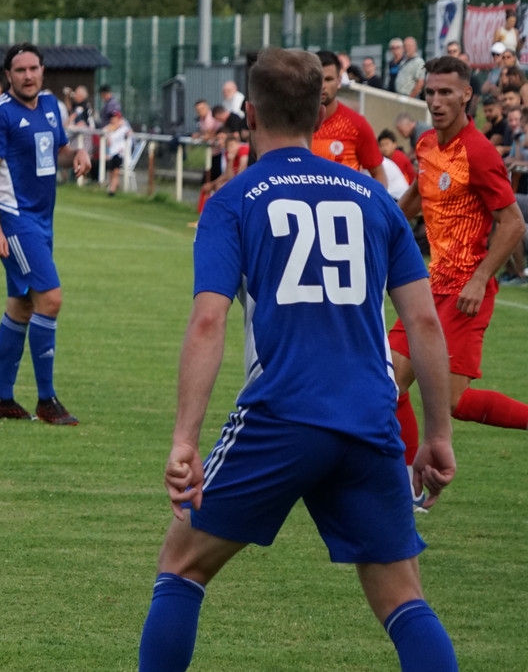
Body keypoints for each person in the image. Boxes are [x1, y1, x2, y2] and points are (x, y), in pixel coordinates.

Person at [137, 47, 457, 672]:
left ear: (249, 114)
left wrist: (184, 438)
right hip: (370, 419)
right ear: (320, 111)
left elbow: (209, 320)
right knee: (403, 597)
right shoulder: (373, 198)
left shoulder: (233, 201)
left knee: (181, 566)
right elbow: (421, 321)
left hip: (281, 414)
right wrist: (438, 434)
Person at [391, 55, 528, 512]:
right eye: (430, 92)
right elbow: (416, 194)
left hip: (467, 296)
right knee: (386, 384)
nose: (436, 101)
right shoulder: (427, 143)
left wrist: (481, 277)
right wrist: (378, 222)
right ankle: (411, 485)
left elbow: (512, 223)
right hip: (428, 290)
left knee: (449, 404)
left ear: (467, 94)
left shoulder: (480, 151)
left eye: (446, 92)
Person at [0, 42, 92, 425]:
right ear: (8, 75)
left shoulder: (49, 107)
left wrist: (75, 153)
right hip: (15, 218)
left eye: (33, 68)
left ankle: (3, 400)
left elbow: (54, 149)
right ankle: (47, 401)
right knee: (51, 299)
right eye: (20, 70)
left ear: (43, 71)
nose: (28, 75)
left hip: (43, 220)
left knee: (22, 305)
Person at [312, 50, 387, 187]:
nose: (322, 86)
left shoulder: (356, 125)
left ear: (339, 81)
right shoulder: (296, 126)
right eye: (317, 79)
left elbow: (379, 175)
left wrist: (371, 207)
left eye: (328, 79)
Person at [103, 110, 131, 196]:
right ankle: (113, 186)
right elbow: (106, 137)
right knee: (112, 171)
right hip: (112, 153)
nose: (113, 120)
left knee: (115, 171)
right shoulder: (110, 129)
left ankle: (112, 189)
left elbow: (129, 133)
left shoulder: (123, 128)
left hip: (119, 153)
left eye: (115, 118)